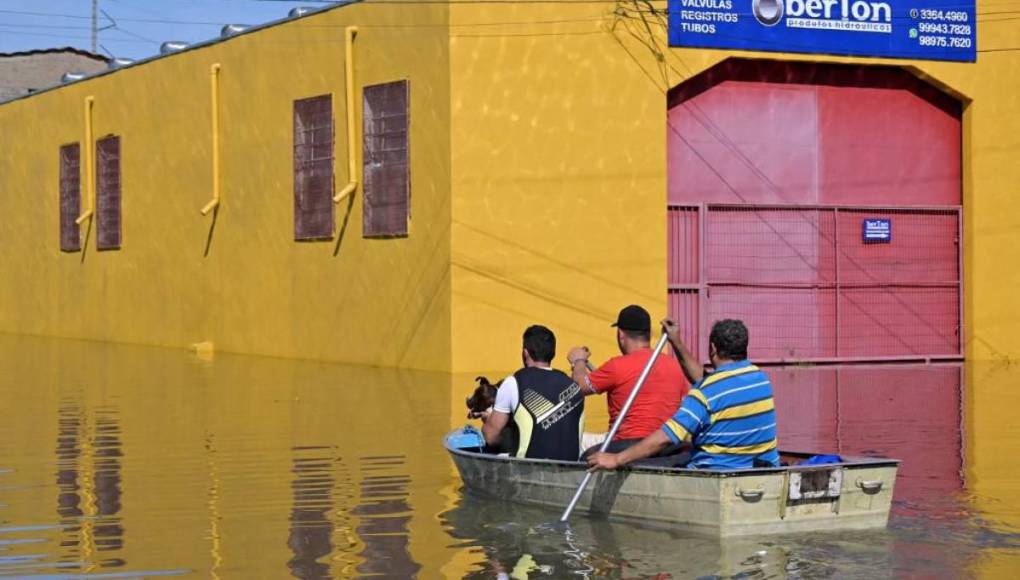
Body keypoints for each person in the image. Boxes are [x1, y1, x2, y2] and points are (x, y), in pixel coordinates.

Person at [587, 318, 780, 471]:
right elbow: (706, 381)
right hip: (761, 469)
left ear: (713, 348)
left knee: (633, 464)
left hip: (716, 470)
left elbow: (667, 437)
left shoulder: (705, 392)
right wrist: (676, 343)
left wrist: (616, 459)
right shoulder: (760, 379)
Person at [566, 305, 688, 456]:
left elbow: (578, 388)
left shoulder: (616, 366)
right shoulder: (675, 366)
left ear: (621, 335)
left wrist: (578, 361)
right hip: (665, 447)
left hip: (623, 445)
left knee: (571, 440)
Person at [479, 325, 585, 461]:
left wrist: (492, 422)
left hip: (527, 469)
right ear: (552, 353)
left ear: (525, 352)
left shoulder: (514, 382)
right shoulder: (574, 386)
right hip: (570, 468)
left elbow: (490, 436)